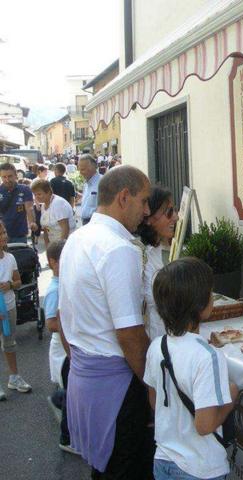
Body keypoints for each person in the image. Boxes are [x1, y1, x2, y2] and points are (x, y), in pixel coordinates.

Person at [59, 165, 153, 478]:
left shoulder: (77, 238)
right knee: (126, 470)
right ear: (124, 198)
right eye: (144, 201)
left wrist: (79, 359)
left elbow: (64, 316)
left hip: (86, 378)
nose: (147, 210)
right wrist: (152, 387)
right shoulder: (118, 249)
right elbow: (129, 333)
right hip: (117, 385)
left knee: (104, 472)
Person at [144, 257, 238, 480]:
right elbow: (204, 425)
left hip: (164, 459)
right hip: (201, 468)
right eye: (210, 292)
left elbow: (154, 401)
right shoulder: (208, 357)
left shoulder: (157, 346)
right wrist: (231, 396)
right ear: (201, 305)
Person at [43, 239, 78, 454]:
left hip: (67, 347)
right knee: (71, 395)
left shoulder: (64, 283)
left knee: (68, 390)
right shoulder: (54, 290)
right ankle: (67, 438)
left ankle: (58, 398)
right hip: (63, 350)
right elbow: (50, 323)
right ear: (52, 262)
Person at [136, 186, 178, 340]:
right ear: (148, 216)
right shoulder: (138, 254)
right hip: (149, 342)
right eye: (169, 212)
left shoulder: (155, 250)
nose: (176, 217)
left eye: (174, 210)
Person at [0, 221, 31, 399]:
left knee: (10, 343)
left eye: (4, 232)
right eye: (1, 234)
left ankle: (14, 377)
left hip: (9, 306)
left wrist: (10, 284)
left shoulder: (10, 258)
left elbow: (18, 281)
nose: (4, 236)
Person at [30, 179, 74, 247]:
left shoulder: (58, 203)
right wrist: (48, 248)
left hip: (66, 245)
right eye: (34, 195)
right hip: (53, 244)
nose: (36, 197)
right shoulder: (44, 205)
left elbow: (65, 229)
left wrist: (59, 249)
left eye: (39, 194)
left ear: (48, 192)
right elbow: (45, 230)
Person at [0, 162, 36, 244]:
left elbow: (29, 209)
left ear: (16, 175)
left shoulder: (25, 189)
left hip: (19, 235)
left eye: (10, 176)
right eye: (4, 177)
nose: (7, 180)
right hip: (2, 236)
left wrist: (32, 222)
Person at [77, 154, 101, 225]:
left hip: (96, 223)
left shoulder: (103, 182)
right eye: (79, 169)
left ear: (92, 168)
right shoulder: (86, 184)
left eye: (83, 169)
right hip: (86, 222)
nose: (80, 173)